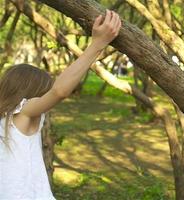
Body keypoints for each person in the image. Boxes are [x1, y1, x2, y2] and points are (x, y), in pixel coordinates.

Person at [0, 10, 121, 199]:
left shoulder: (22, 114)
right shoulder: (8, 118)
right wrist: (97, 45)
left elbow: (59, 91)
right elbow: (58, 91)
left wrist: (97, 44)